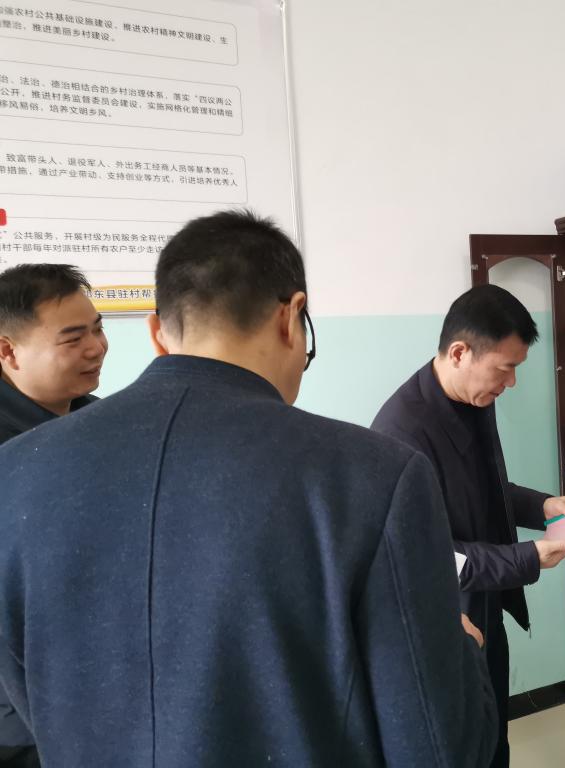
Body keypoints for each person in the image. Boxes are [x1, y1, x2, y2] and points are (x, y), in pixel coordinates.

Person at [0, 211, 497, 767]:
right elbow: (437, 747)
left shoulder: (15, 471)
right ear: (291, 317)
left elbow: (28, 698)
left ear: (157, 331)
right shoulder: (376, 474)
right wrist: (465, 649)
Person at [371, 284, 565, 767]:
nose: (511, 383)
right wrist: (528, 558)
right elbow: (430, 556)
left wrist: (544, 506)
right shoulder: (400, 433)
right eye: (505, 368)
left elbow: (487, 488)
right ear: (459, 353)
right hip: (448, 618)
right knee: (463, 746)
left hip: (486, 603)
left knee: (494, 737)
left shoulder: (474, 399)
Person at [0, 263, 107, 768]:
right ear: (7, 351)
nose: (96, 348)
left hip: (90, 690)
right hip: (19, 721)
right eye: (72, 338)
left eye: (97, 329)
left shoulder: (101, 420)